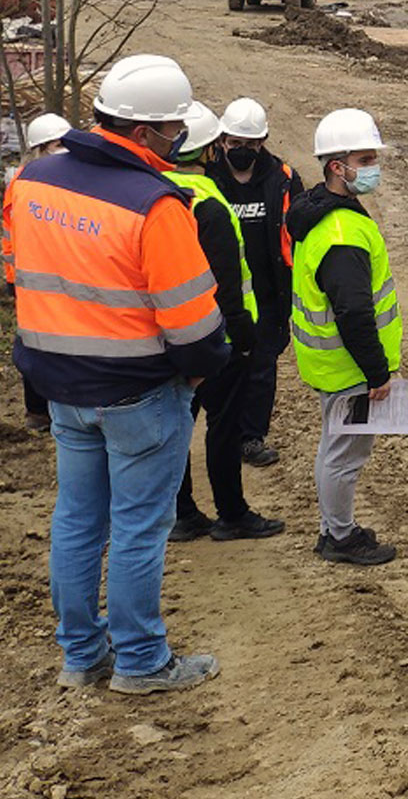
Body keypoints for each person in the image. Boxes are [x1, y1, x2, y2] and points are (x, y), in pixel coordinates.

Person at [5, 54, 227, 695]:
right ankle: (140, 662)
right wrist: (201, 373)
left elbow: (20, 275)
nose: (178, 142)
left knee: (77, 522)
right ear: (143, 134)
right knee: (136, 529)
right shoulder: (155, 206)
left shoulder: (32, 180)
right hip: (139, 394)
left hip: (62, 389)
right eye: (173, 131)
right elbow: (193, 325)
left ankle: (82, 656)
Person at [164, 102, 286, 544]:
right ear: (211, 148)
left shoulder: (152, 191)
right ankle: (231, 514)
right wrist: (245, 335)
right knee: (224, 428)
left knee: (177, 427)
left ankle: (182, 513)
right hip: (216, 337)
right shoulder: (209, 203)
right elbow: (226, 280)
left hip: (167, 334)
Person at [288, 108, 405, 567]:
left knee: (333, 447)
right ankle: (340, 536)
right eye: (364, 157)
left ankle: (330, 528)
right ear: (337, 167)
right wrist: (376, 370)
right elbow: (354, 310)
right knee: (344, 456)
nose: (373, 165)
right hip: (349, 367)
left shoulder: (323, 211)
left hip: (331, 364)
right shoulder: (341, 232)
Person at [208, 96, 303, 469]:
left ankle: (251, 437)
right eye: (234, 144)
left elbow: (298, 226)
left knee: (262, 371)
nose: (242, 151)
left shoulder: (281, 178)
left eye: (250, 145)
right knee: (218, 370)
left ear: (262, 143)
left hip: (267, 295)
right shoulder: (207, 179)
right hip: (218, 296)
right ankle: (220, 435)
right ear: (221, 141)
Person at [6, 112, 72, 431]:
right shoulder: (22, 181)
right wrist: (12, 281)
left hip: (65, 275)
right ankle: (37, 411)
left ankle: (61, 406)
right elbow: (10, 233)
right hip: (34, 276)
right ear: (40, 147)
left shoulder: (77, 176)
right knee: (34, 344)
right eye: (55, 144)